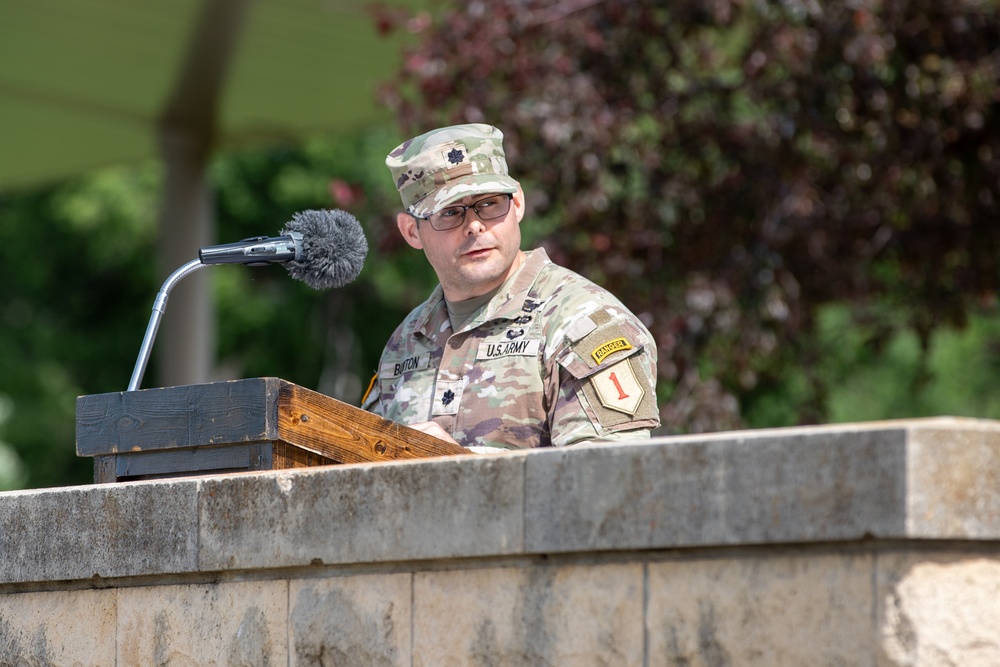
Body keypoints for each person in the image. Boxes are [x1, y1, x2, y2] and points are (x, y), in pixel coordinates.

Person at [362, 123, 660, 449]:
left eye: (489, 204)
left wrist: (460, 471)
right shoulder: (405, 342)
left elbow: (605, 479)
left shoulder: (584, 322)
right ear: (411, 232)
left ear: (517, 203)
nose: (474, 225)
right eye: (450, 213)